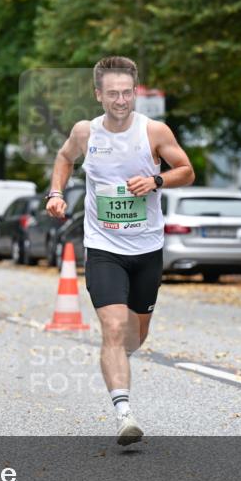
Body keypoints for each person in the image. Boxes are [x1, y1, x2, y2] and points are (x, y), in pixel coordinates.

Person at [46, 56, 194, 446]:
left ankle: (116, 359)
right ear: (98, 94)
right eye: (113, 93)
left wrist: (156, 180)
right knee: (112, 329)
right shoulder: (85, 132)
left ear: (135, 92)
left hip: (147, 248)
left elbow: (187, 170)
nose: (121, 100)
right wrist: (56, 193)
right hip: (103, 247)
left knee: (134, 337)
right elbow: (63, 158)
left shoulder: (154, 131)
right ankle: (124, 412)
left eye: (127, 93)